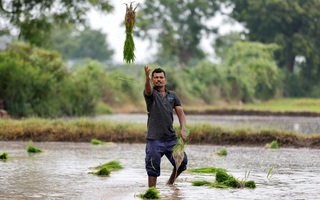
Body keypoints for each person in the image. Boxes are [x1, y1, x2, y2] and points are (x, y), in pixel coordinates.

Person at [143, 66, 188, 188]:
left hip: (171, 138)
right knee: (152, 166)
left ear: (165, 80)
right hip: (154, 139)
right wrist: (147, 79)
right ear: (152, 80)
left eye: (161, 77)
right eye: (155, 78)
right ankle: (152, 192)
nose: (158, 80)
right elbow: (147, 90)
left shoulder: (173, 95)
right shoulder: (151, 94)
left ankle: (170, 183)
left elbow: (180, 113)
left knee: (182, 162)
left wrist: (183, 129)